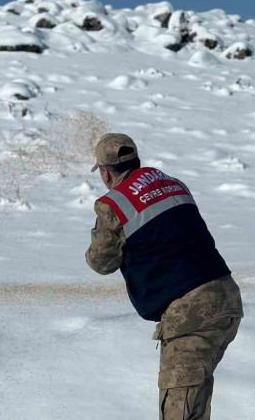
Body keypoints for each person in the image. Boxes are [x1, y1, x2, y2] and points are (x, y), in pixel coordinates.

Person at [85, 133, 243, 420]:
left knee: (179, 412)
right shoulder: (173, 184)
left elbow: (101, 262)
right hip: (226, 300)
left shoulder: (114, 203)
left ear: (106, 173)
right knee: (193, 405)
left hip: (190, 314)